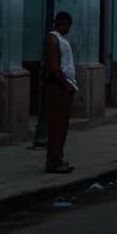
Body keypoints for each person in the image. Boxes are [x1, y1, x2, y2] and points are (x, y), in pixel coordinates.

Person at [44, 11, 78, 174]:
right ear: (63, 23)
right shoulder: (52, 38)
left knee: (62, 126)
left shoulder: (61, 39)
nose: (69, 30)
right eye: (68, 26)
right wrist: (66, 84)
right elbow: (54, 66)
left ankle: (58, 159)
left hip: (66, 85)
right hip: (59, 86)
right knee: (57, 126)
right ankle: (53, 162)